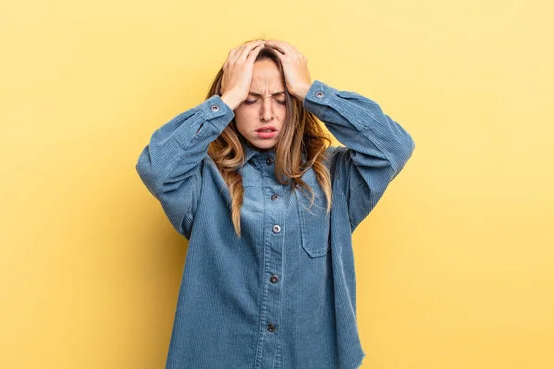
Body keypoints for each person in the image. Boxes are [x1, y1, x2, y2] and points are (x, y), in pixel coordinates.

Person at [136, 39, 415, 369]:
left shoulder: (334, 177)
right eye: (250, 100)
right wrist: (223, 100)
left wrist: (311, 92)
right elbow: (157, 168)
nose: (267, 113)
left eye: (281, 100)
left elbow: (393, 149)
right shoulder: (201, 181)